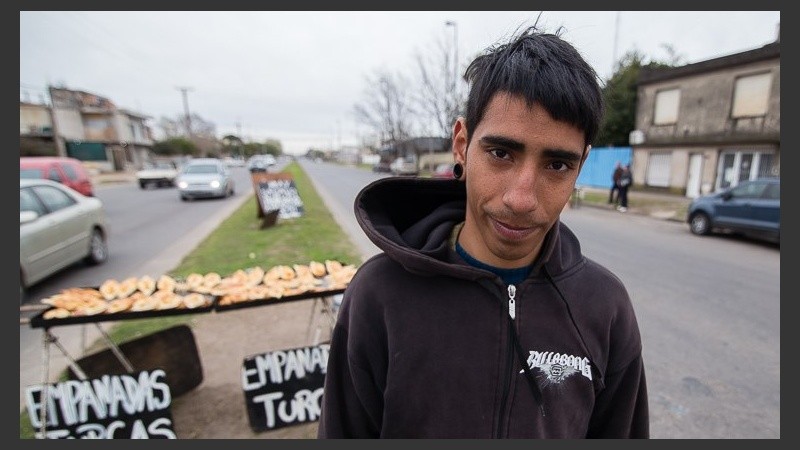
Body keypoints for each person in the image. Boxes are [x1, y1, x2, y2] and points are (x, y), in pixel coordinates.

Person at [318, 25, 649, 439]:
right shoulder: (379, 294)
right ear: (462, 144)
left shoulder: (606, 307)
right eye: (500, 153)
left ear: (580, 166)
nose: (521, 198)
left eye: (557, 165)